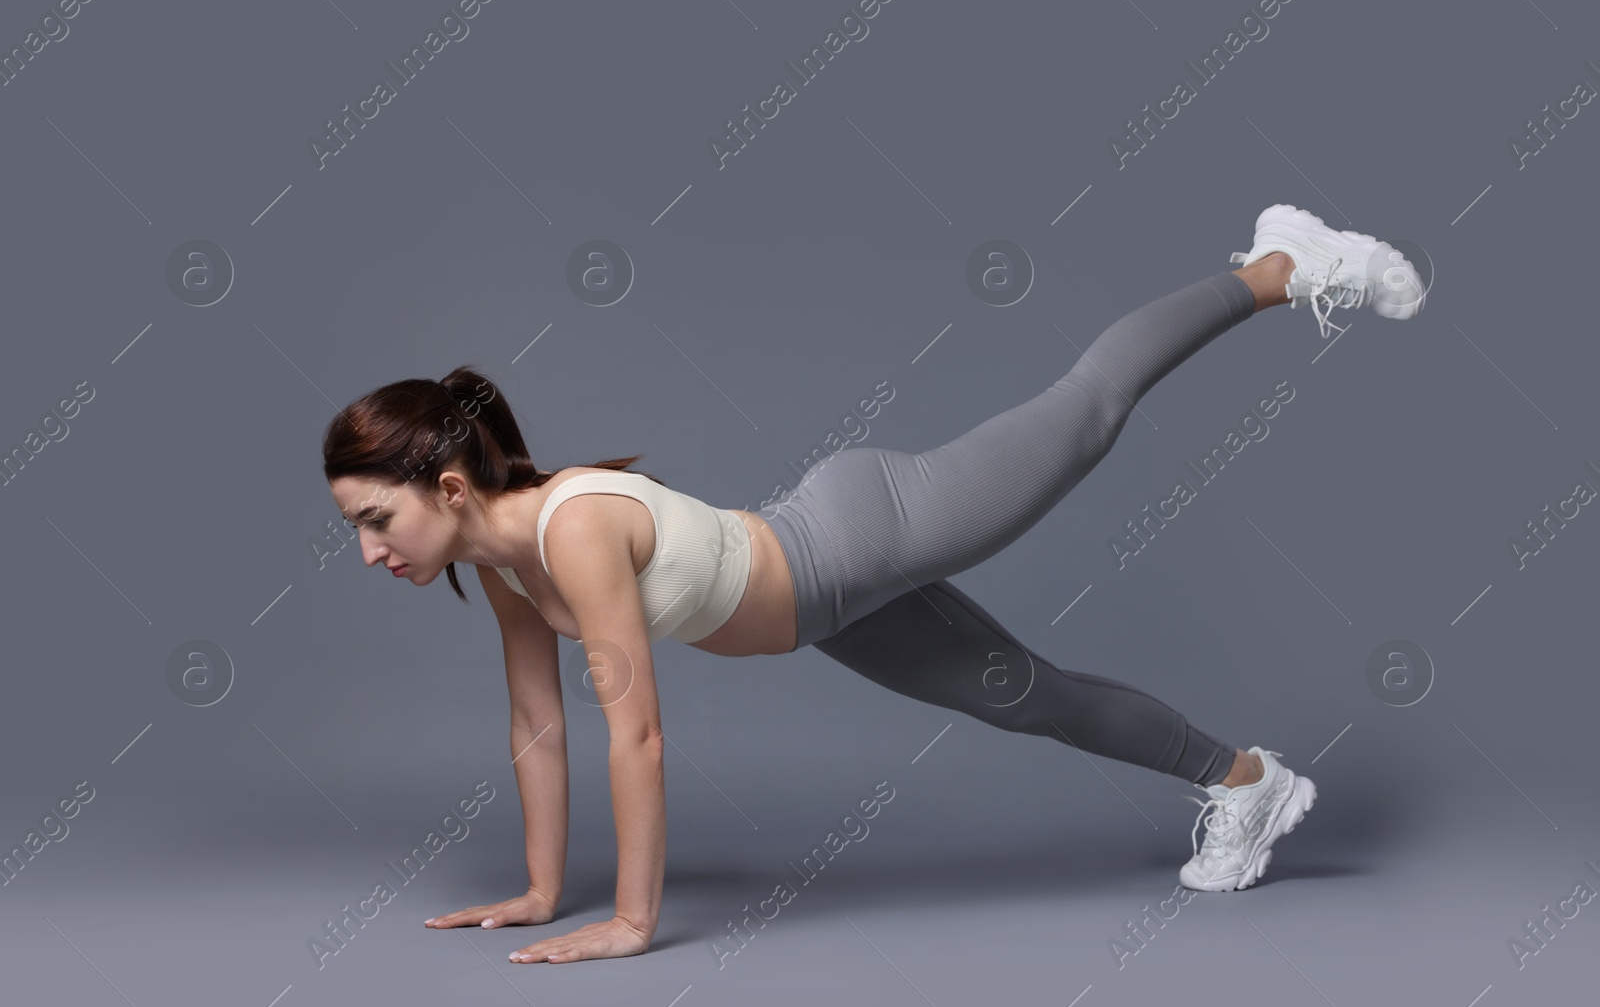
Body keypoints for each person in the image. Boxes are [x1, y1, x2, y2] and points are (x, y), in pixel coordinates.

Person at [323, 204, 1425, 965]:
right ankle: (1247, 783)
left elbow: (637, 735)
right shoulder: (503, 563)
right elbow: (536, 725)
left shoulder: (572, 530)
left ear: (451, 485)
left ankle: (1279, 267)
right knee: (1030, 697)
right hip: (829, 611)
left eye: (377, 520)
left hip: (858, 534)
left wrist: (630, 919)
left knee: (1085, 409)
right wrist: (537, 889)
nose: (372, 551)